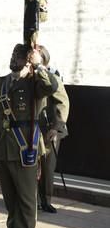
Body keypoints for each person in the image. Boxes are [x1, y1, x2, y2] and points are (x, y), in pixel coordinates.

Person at [0, 44, 59, 228]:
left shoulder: (34, 83)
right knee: (10, 198)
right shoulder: (2, 82)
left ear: (27, 60)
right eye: (12, 55)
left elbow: (52, 87)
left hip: (25, 146)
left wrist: (38, 65)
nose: (13, 59)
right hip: (5, 147)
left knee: (26, 199)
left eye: (18, 57)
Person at [36, 45, 70, 213]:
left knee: (48, 167)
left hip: (50, 128)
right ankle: (32, 199)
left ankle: (46, 200)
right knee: (31, 166)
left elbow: (62, 103)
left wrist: (56, 128)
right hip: (32, 128)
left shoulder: (52, 76)